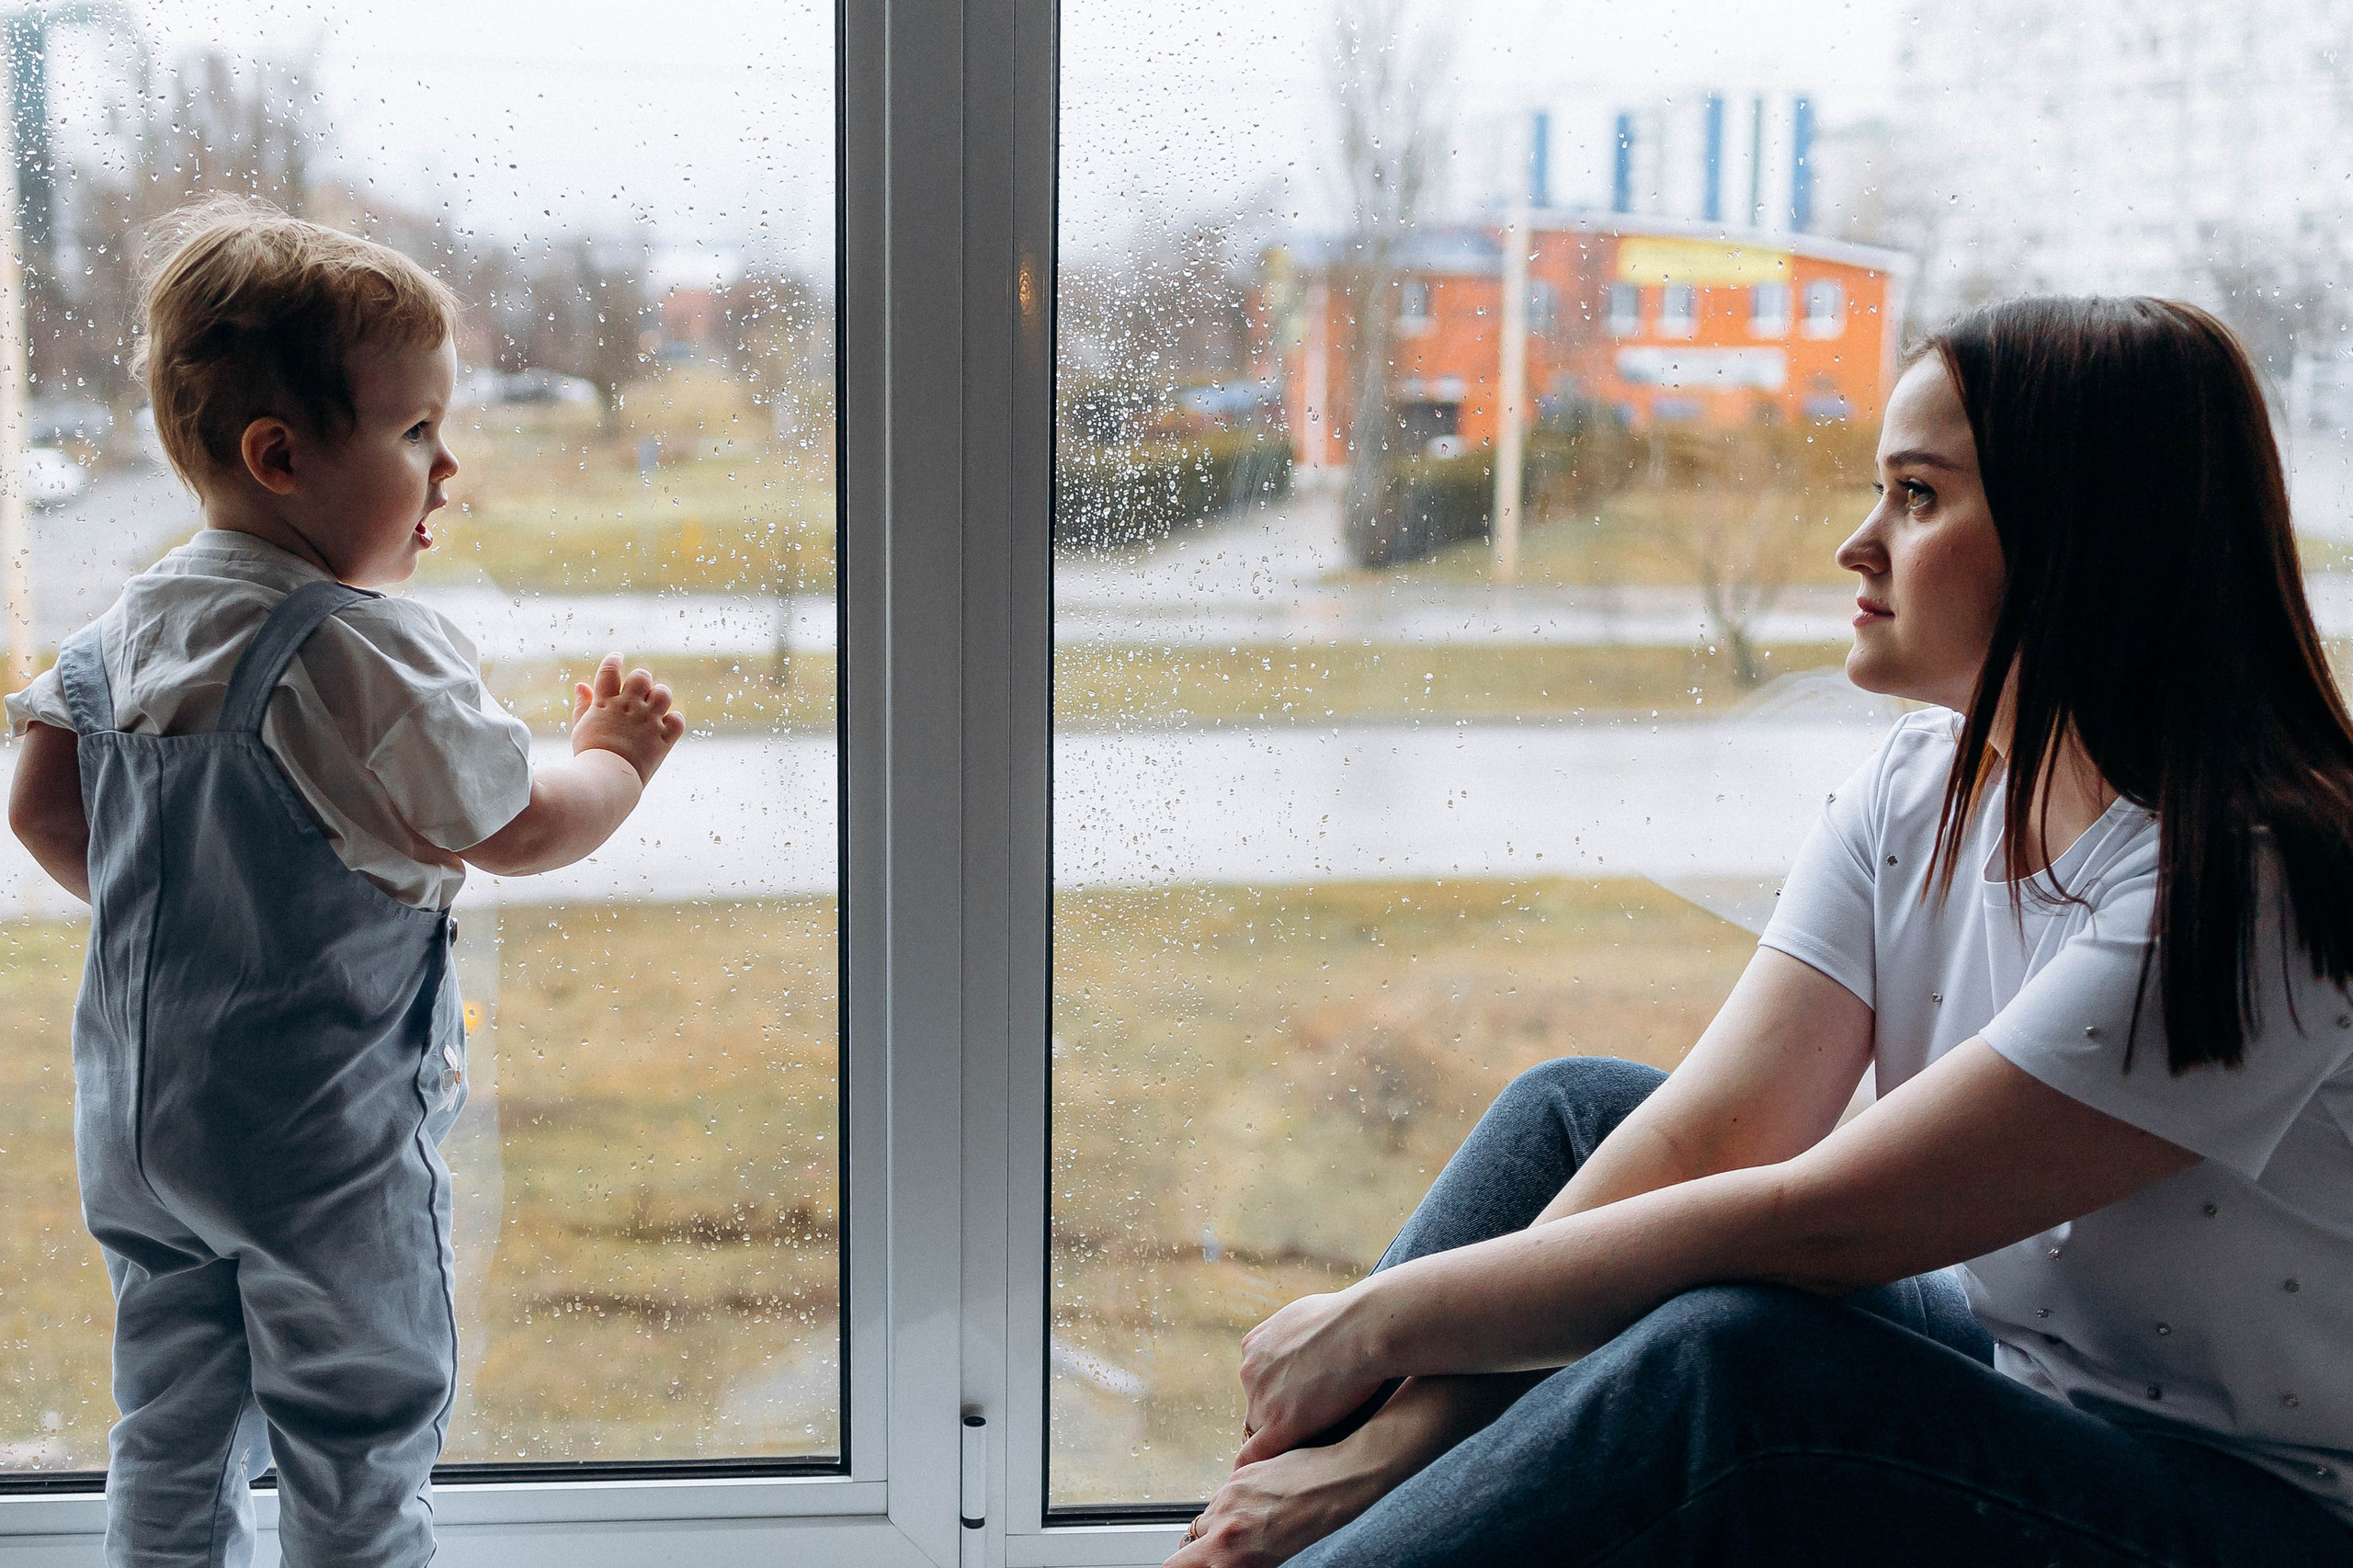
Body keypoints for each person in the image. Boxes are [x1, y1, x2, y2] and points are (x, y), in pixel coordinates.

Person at [1168, 296, 2353, 1567]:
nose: (1859, 543)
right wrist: (1384, 1447)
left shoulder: (2243, 886)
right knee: (1577, 1111)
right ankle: (1260, 1540)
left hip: (2258, 1517)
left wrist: (1382, 1318)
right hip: (2043, 1397)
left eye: (1917, 495)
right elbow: (1711, 1134)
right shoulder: (1918, 791)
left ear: (2084, 537)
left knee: (1744, 1373)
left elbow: (1822, 1220)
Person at [4, 199, 685, 1566]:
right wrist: (615, 756)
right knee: (355, 1426)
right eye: (418, 431)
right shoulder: (365, 652)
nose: (450, 472)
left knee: (175, 1422)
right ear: (283, 454)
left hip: (143, 1134)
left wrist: (191, 900)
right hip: (314, 1146)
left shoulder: (134, 620)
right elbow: (519, 824)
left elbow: (37, 803)